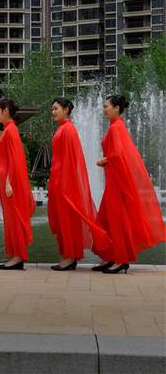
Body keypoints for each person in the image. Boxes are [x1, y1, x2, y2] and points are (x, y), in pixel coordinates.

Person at [93, 95, 166, 274]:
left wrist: (104, 160)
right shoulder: (116, 126)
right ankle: (111, 256)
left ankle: (121, 259)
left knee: (116, 220)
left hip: (116, 183)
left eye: (106, 106)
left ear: (117, 108)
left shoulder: (116, 128)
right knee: (106, 219)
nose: (104, 109)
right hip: (114, 181)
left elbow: (118, 155)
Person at [47, 97, 110, 271]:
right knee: (62, 221)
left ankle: (70, 257)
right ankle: (68, 255)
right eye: (52, 109)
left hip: (63, 184)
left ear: (66, 110)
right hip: (58, 181)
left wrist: (65, 185)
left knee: (67, 220)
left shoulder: (68, 130)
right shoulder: (63, 129)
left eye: (56, 108)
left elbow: (72, 161)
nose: (53, 112)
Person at [0, 99, 35, 270]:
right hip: (5, 180)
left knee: (14, 218)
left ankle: (18, 257)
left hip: (9, 182)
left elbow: (15, 158)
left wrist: (9, 182)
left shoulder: (11, 130)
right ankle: (14, 255)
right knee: (10, 218)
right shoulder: (8, 129)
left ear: (5, 111)